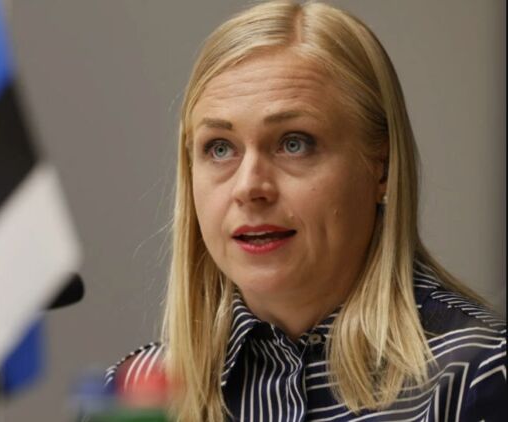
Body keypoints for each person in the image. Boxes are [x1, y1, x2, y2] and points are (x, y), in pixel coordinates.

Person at [105, 1, 506, 421]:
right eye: (220, 149)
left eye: (294, 143)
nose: (249, 187)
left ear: (382, 168)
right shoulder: (135, 396)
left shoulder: (478, 374)